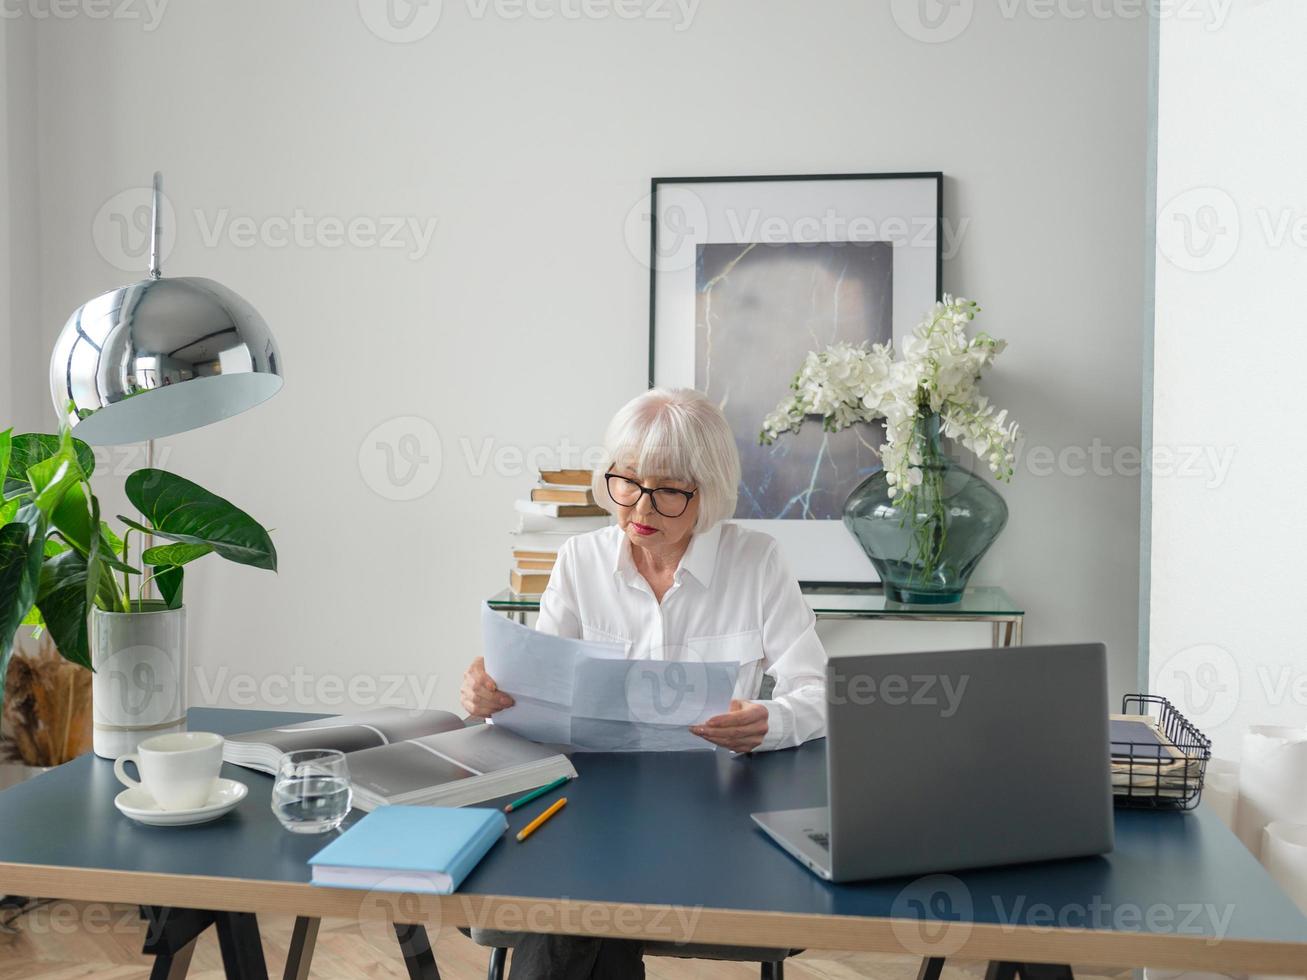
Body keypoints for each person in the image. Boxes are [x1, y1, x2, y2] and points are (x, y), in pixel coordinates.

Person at [460, 387, 827, 979]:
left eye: (668, 491)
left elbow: (819, 693)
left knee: (570, 910)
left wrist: (770, 721)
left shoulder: (757, 562)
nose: (639, 509)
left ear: (707, 492)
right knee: (575, 898)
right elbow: (532, 695)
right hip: (590, 801)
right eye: (626, 481)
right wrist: (491, 698)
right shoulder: (580, 560)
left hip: (713, 808)